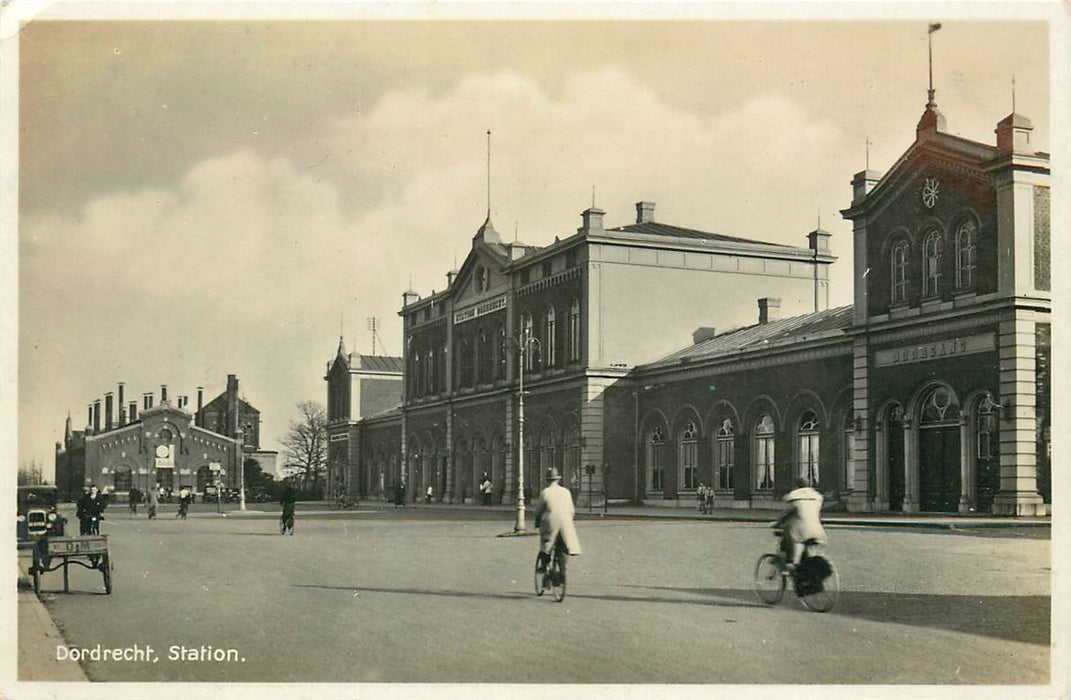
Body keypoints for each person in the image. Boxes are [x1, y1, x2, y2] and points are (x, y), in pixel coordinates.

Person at [533, 467, 582, 573]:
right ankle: (563, 568)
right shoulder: (566, 492)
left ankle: (544, 565)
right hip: (565, 522)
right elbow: (572, 510)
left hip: (551, 523)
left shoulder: (545, 492)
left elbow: (538, 510)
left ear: (547, 480)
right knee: (564, 543)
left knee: (546, 544)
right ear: (558, 480)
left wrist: (537, 521)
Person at [774, 478, 828, 568]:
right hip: (818, 531)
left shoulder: (795, 496)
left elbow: (788, 513)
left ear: (797, 486)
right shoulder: (816, 496)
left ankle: (792, 564)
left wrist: (778, 523)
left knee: (791, 538)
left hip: (802, 531)